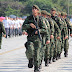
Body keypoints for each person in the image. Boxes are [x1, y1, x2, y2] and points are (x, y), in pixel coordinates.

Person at [22, 5, 50, 72]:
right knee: (30, 50)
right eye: (33, 8)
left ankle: (36, 68)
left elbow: (45, 29)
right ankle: (30, 59)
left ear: (38, 11)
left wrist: (39, 31)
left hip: (38, 39)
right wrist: (29, 25)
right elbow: (23, 26)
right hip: (30, 38)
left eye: (35, 9)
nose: (34, 10)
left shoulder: (41, 19)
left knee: (37, 54)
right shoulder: (29, 18)